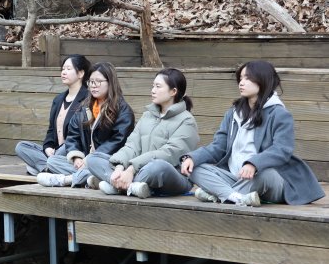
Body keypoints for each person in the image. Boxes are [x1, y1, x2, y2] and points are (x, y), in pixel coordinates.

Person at [180, 60, 324, 206]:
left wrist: (254, 164)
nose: (241, 83)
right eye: (241, 78)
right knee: (195, 168)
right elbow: (218, 147)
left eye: (247, 78)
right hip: (235, 177)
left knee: (265, 174)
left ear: (263, 80)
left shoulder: (279, 114)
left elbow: (282, 150)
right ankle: (234, 196)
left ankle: (219, 194)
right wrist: (193, 158)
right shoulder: (233, 114)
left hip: (268, 178)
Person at [86, 68, 199, 198]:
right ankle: (130, 186)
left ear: (173, 91)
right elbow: (132, 145)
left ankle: (115, 183)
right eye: (153, 86)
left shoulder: (187, 120)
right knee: (94, 159)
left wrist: (131, 169)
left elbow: (169, 153)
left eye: (158, 86)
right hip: (138, 170)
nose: (153, 90)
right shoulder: (147, 116)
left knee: (158, 167)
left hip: (172, 175)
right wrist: (119, 167)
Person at [37, 62, 134, 187]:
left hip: (108, 161)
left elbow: (118, 140)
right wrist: (76, 157)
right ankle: (90, 178)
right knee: (52, 161)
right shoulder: (84, 107)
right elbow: (73, 135)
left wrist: (90, 159)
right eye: (91, 82)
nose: (93, 86)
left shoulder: (123, 110)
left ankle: (67, 180)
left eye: (98, 82)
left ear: (110, 83)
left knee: (95, 165)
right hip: (85, 160)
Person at [15, 54, 91, 175]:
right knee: (21, 147)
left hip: (73, 151)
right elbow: (51, 130)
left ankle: (45, 167)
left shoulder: (88, 99)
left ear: (81, 73)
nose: (64, 72)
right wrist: (48, 147)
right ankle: (49, 168)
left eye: (68, 69)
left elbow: (81, 136)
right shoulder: (58, 99)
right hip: (55, 152)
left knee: (64, 148)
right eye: (63, 69)